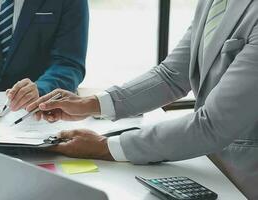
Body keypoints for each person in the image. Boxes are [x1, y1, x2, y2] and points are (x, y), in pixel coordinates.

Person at [27, 0, 258, 198]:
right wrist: (91, 104)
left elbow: (212, 125)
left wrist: (105, 147)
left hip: (245, 178)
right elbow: (170, 75)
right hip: (210, 169)